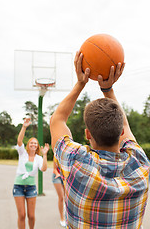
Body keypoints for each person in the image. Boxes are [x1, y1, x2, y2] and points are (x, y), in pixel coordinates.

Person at [50, 51, 150, 228]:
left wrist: (81, 83)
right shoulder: (140, 165)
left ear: (88, 134)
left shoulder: (75, 162)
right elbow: (126, 126)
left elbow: (57, 120)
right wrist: (108, 89)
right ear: (120, 134)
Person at [13, 118, 49, 229]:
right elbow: (19, 141)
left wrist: (45, 155)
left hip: (31, 188)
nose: (33, 145)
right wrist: (24, 127)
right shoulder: (22, 153)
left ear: (37, 146)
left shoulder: (38, 158)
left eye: (35, 143)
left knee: (31, 216)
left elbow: (43, 169)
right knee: (22, 215)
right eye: (31, 143)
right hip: (18, 186)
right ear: (28, 145)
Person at [52, 157, 66, 227]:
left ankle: (66, 213)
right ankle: (62, 218)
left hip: (65, 176)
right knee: (61, 197)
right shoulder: (56, 155)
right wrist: (58, 174)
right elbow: (54, 169)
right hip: (56, 176)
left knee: (67, 197)